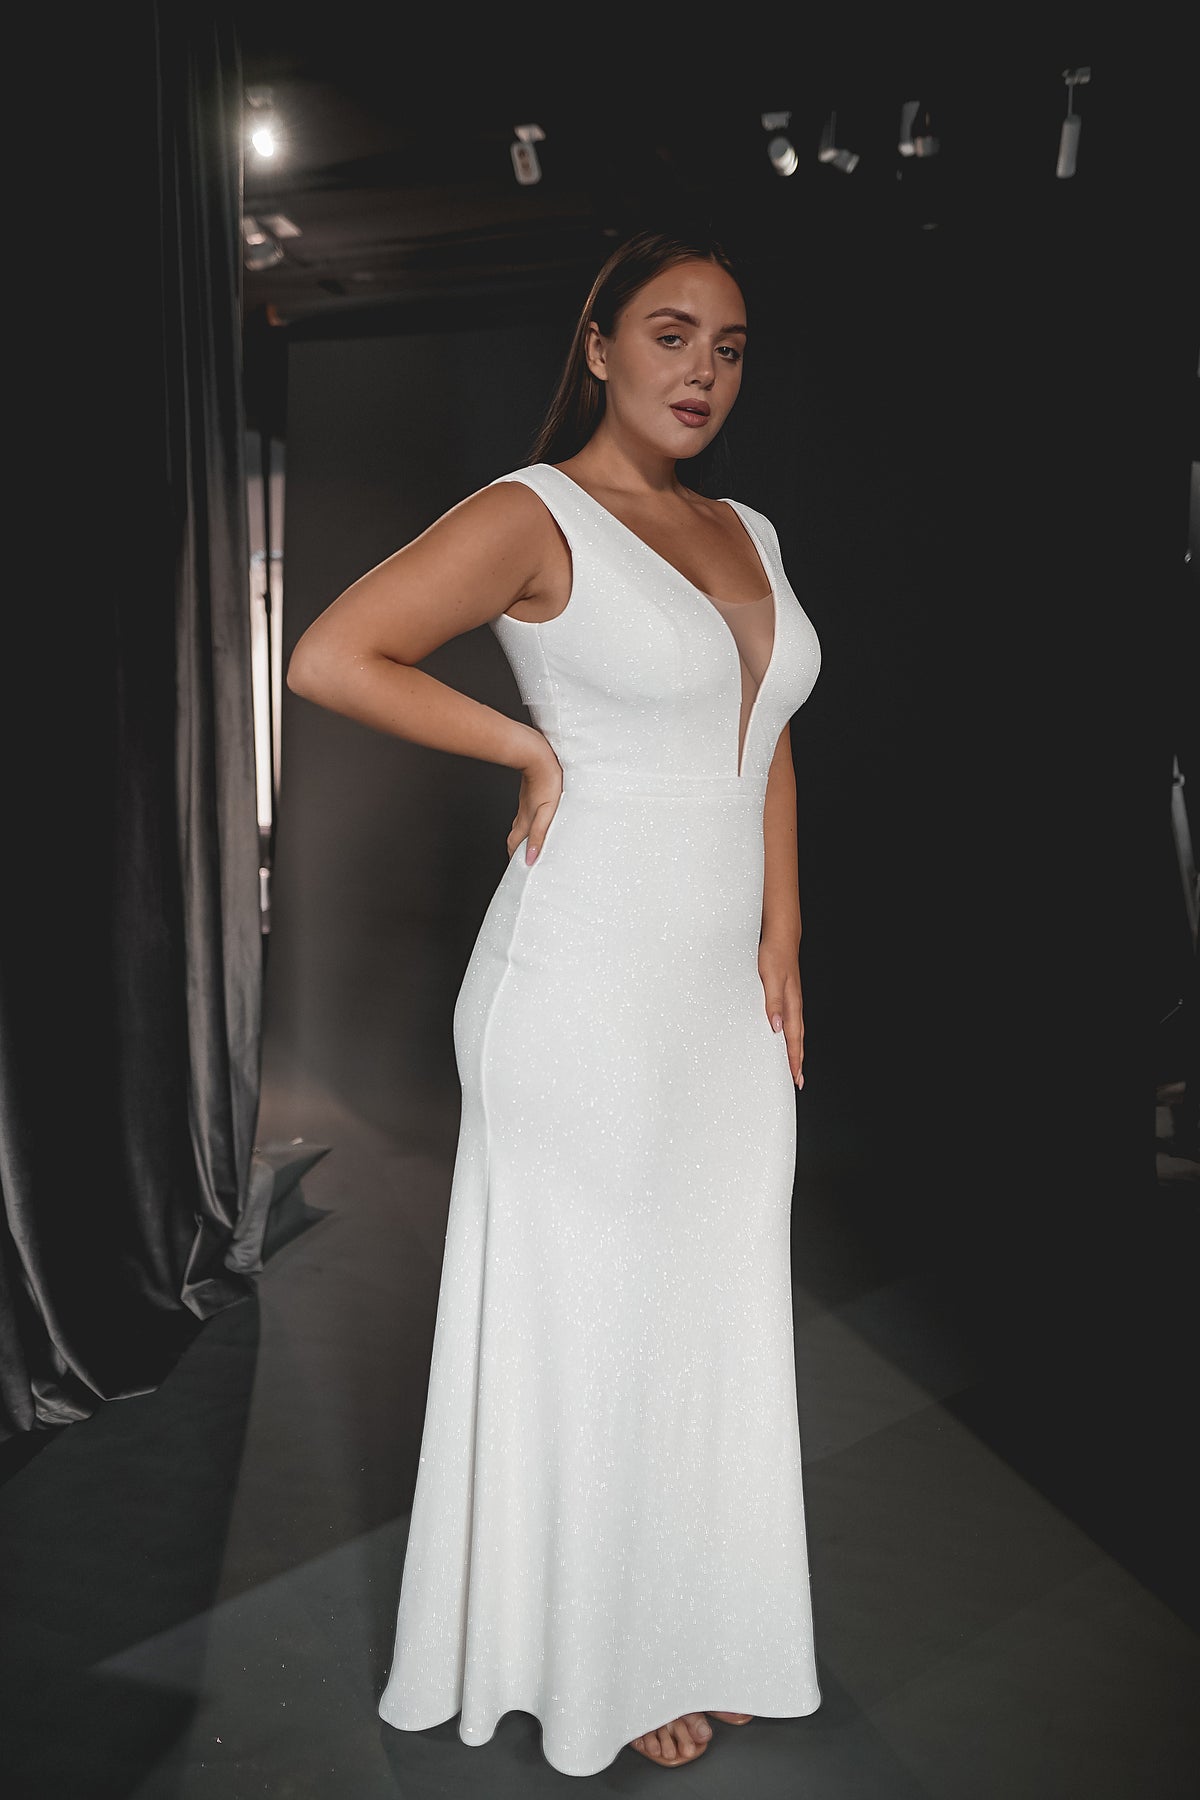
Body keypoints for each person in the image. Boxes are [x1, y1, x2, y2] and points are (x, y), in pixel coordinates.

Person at [286, 227, 824, 1776]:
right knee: (597, 1321)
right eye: (669, 334)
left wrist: (785, 929)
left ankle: (702, 1619)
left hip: (714, 998)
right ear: (597, 347)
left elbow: (766, 733)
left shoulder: (748, 528)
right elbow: (333, 654)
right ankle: (606, 1659)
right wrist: (524, 747)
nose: (701, 371)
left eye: (728, 347)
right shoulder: (534, 513)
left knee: (705, 1317)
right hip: (578, 980)